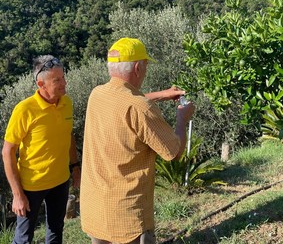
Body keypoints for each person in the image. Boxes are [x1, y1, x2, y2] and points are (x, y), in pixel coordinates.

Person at [80, 37, 195, 244]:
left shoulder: (96, 95)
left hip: (95, 211)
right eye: (146, 65)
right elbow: (174, 152)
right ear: (137, 68)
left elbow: (124, 99)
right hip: (127, 219)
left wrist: (162, 95)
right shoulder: (141, 108)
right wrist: (182, 119)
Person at [1, 55, 81, 244]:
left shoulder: (66, 103)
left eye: (63, 77)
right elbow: (7, 151)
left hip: (61, 181)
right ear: (41, 84)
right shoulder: (24, 109)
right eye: (57, 80)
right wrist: (18, 195)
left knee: (55, 231)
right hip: (31, 186)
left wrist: (75, 168)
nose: (64, 83)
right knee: (23, 238)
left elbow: (68, 136)